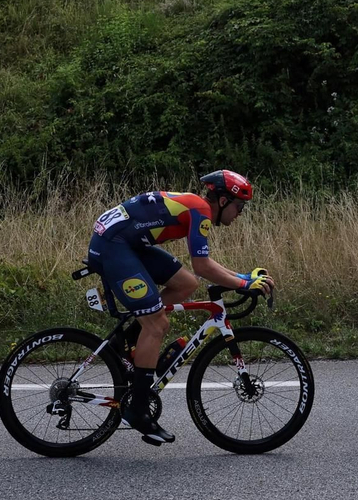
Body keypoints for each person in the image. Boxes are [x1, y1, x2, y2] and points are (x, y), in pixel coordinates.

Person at [86, 170, 273, 445]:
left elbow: (202, 268)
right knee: (158, 324)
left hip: (127, 242)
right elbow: (204, 266)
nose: (240, 213)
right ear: (222, 201)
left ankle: (123, 342)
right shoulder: (200, 211)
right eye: (239, 206)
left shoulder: (197, 207)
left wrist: (243, 278)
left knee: (186, 283)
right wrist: (243, 285)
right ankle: (138, 410)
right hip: (114, 246)